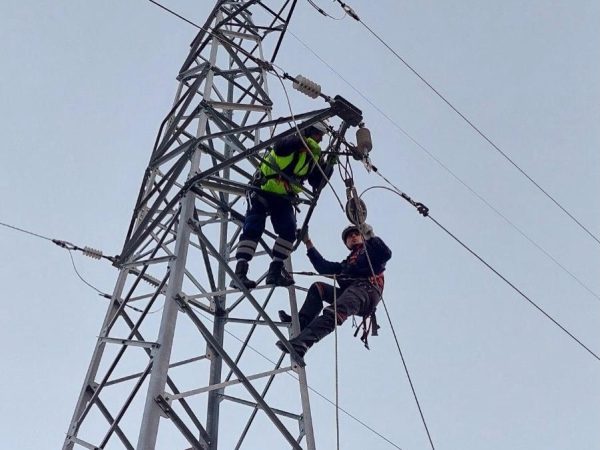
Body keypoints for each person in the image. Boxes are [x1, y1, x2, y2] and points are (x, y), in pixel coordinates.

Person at [231, 122, 332, 289]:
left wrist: (329, 166)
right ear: (308, 131)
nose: (319, 139)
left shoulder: (313, 157)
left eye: (321, 137)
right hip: (262, 189)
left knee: (289, 230)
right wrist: (304, 142)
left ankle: (275, 272)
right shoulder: (290, 141)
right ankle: (239, 274)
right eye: (317, 135)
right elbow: (280, 147)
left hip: (283, 197)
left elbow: (317, 182)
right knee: (254, 227)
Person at [276, 222, 392, 358]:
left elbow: (385, 254)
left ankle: (303, 343)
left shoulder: (370, 252)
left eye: (356, 234)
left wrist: (369, 235)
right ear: (346, 243)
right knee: (318, 288)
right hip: (352, 292)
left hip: (366, 292)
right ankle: (301, 323)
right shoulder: (346, 264)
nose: (353, 237)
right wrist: (308, 242)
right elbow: (323, 267)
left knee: (335, 311)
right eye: (349, 236)